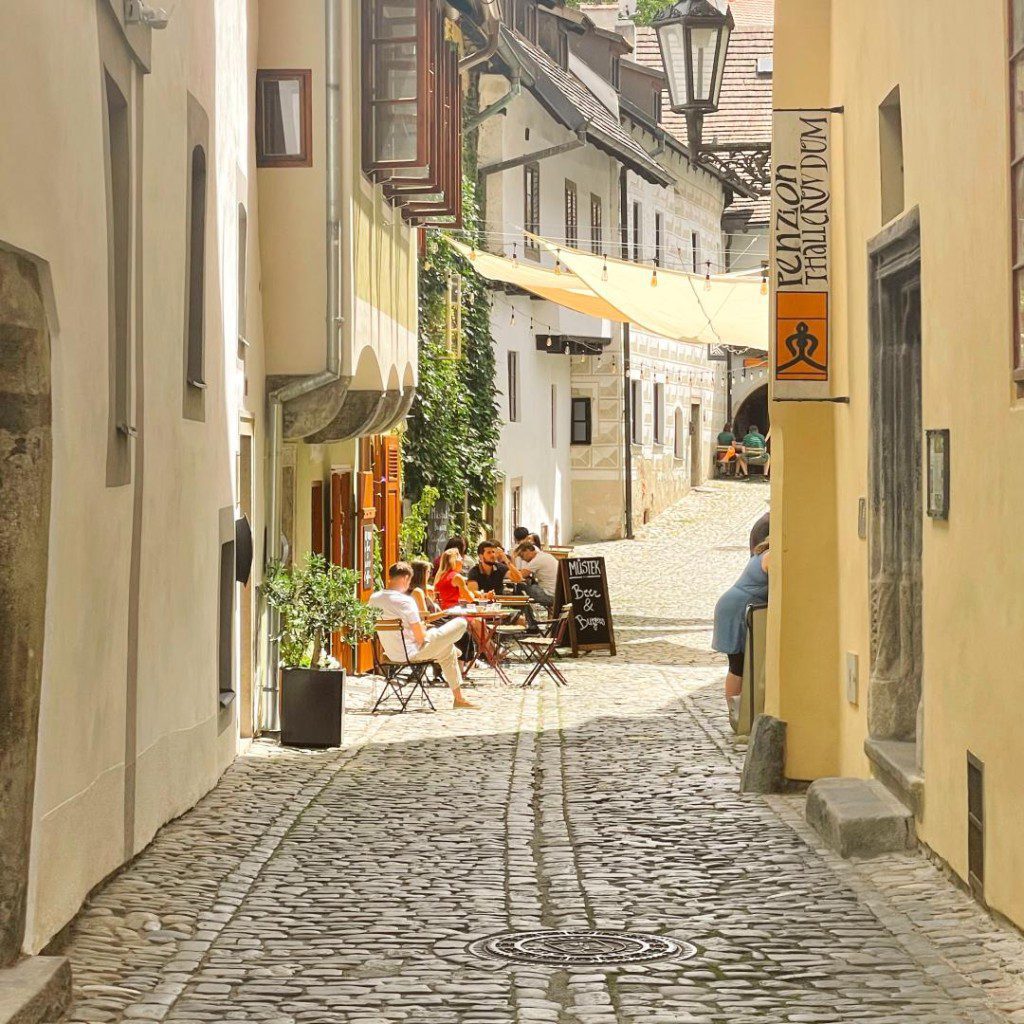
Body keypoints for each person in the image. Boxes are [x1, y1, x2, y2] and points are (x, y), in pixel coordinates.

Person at [369, 562, 476, 710]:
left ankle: (459, 699)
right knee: (461, 622)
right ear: (406, 579)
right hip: (413, 652)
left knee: (448, 650)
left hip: (390, 653)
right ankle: (448, 647)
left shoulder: (374, 598)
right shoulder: (406, 601)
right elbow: (420, 638)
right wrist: (424, 629)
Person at [712, 540, 769, 705]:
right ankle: (735, 710)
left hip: (736, 606)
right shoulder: (771, 557)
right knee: (738, 665)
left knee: (740, 663)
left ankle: (738, 710)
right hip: (736, 609)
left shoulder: (765, 552)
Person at [517, 542, 559, 608]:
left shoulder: (536, 560)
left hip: (550, 596)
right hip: (557, 595)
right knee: (531, 586)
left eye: (522, 556)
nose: (522, 559)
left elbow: (518, 576)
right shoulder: (545, 555)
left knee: (520, 586)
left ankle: (521, 614)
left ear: (528, 550)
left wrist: (512, 558)